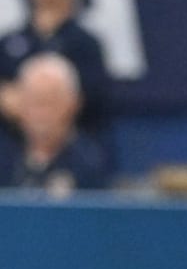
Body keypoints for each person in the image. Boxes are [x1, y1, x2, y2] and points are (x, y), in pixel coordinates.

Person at [0, 0, 109, 140]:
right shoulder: (9, 43)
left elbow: (88, 104)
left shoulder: (86, 46)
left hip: (69, 164)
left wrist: (36, 103)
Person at [0, 52, 110, 197]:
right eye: (33, 101)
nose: (41, 114)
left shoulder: (91, 162)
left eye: (49, 102)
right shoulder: (5, 158)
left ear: (73, 104)